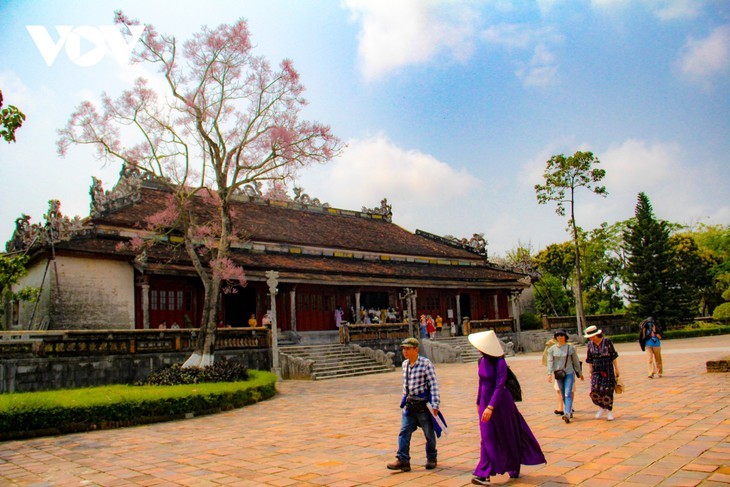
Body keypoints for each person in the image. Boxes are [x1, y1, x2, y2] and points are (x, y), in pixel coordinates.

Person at [468, 330, 546, 485]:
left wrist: (491, 406)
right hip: (485, 400)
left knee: (508, 433)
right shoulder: (481, 361)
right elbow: (481, 382)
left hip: (500, 403)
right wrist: (478, 401)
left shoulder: (500, 362)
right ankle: (484, 472)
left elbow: (500, 385)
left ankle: (512, 466)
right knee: (487, 436)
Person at [387, 337, 441, 472]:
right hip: (409, 405)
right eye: (404, 349)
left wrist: (435, 404)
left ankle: (431, 457)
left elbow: (433, 384)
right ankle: (403, 460)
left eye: (408, 349)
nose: (405, 351)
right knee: (404, 431)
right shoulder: (405, 365)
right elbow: (406, 386)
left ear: (416, 349)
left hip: (422, 405)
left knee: (429, 433)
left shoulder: (425, 363)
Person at [546, 329, 584, 424]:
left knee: (568, 392)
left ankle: (566, 413)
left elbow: (575, 361)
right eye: (558, 335)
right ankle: (569, 410)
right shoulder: (552, 349)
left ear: (565, 337)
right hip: (558, 374)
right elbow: (550, 361)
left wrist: (580, 372)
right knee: (562, 392)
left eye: (561, 335)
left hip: (569, 373)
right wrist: (549, 373)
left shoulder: (570, 348)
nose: (560, 337)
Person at [584, 325, 620, 421]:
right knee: (595, 389)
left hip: (607, 367)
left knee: (608, 390)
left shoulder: (607, 342)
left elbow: (613, 355)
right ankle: (601, 406)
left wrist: (616, 369)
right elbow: (589, 358)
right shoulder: (590, 345)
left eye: (592, 336)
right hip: (596, 368)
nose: (591, 338)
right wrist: (590, 370)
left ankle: (609, 410)